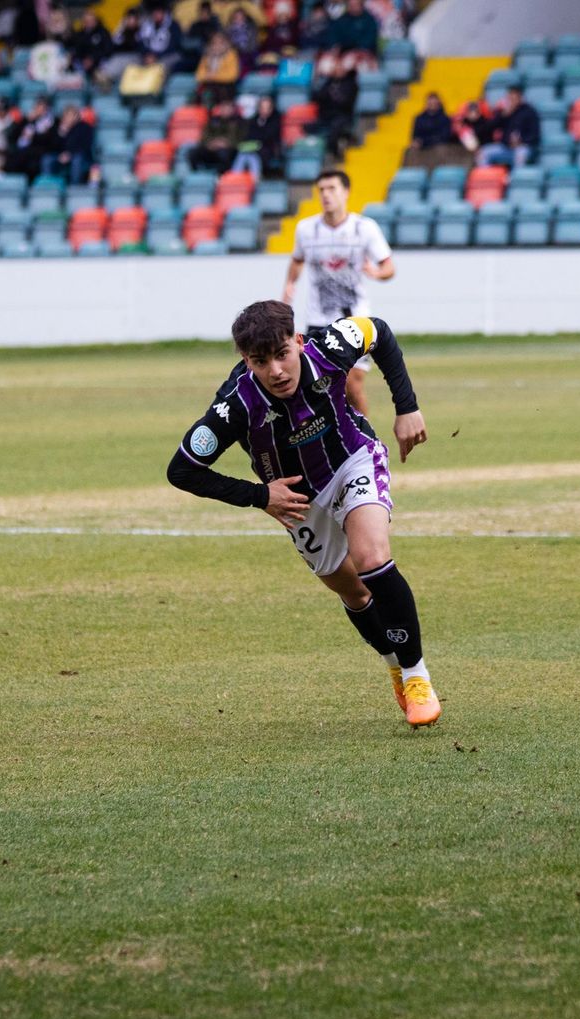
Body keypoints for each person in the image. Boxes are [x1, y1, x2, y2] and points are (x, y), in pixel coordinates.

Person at [166, 301, 442, 728]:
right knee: (352, 591)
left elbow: (379, 331)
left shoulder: (330, 348)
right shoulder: (234, 407)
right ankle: (393, 665)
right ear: (245, 360)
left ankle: (416, 675)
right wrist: (261, 496)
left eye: (282, 354)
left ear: (298, 341)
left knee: (371, 558)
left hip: (352, 460)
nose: (276, 370)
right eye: (260, 362)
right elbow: (181, 470)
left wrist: (407, 407)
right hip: (296, 499)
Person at [284, 170, 395, 417]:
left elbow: (389, 267)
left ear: (345, 192)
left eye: (332, 188)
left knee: (352, 384)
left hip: (355, 319)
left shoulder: (364, 228)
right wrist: (289, 286)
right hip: (317, 319)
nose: (325, 194)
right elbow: (297, 260)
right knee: (315, 388)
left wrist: (376, 273)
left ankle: (368, 443)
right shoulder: (305, 229)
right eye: (321, 189)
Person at [476, 85, 538, 169]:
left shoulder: (529, 112)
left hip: (523, 147)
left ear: (520, 98)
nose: (512, 100)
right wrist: (502, 115)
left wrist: (521, 141)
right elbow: (488, 128)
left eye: (514, 98)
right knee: (483, 153)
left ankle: (516, 180)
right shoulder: (504, 112)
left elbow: (534, 135)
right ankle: (488, 179)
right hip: (505, 147)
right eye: (510, 98)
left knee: (521, 154)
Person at [232, 94, 282, 178]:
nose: (265, 110)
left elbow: (269, 136)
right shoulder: (254, 120)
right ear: (258, 108)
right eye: (262, 107)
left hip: (268, 149)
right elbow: (250, 135)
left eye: (267, 108)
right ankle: (236, 177)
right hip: (254, 147)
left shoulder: (276, 120)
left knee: (252, 155)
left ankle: (254, 178)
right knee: (243, 153)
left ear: (272, 108)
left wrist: (258, 140)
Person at [188, 97, 244, 171]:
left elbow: (240, 138)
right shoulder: (213, 120)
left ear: (233, 109)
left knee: (223, 154)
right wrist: (211, 143)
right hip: (211, 148)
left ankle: (222, 176)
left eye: (228, 107)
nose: (225, 110)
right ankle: (196, 175)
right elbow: (204, 136)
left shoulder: (239, 122)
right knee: (193, 152)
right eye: (223, 107)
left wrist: (225, 143)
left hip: (229, 150)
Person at [47, 103, 95, 184]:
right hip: (61, 155)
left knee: (77, 160)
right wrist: (61, 134)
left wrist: (70, 154)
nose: (67, 119)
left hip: (79, 156)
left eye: (70, 116)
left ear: (76, 116)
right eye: (65, 116)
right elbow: (52, 146)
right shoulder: (58, 128)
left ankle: (74, 187)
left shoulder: (85, 128)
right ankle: (49, 186)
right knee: (47, 159)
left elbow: (84, 146)